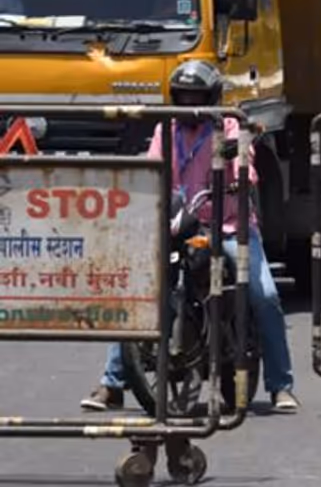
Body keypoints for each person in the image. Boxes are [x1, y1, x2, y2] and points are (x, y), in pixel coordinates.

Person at [80, 61, 300, 415]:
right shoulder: (165, 131)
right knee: (140, 295)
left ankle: (281, 386)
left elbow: (245, 163)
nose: (190, 104)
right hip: (179, 226)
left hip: (229, 226)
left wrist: (238, 169)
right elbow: (154, 170)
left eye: (197, 96)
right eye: (184, 97)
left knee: (265, 295)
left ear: (212, 97)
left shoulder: (229, 124)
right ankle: (112, 383)